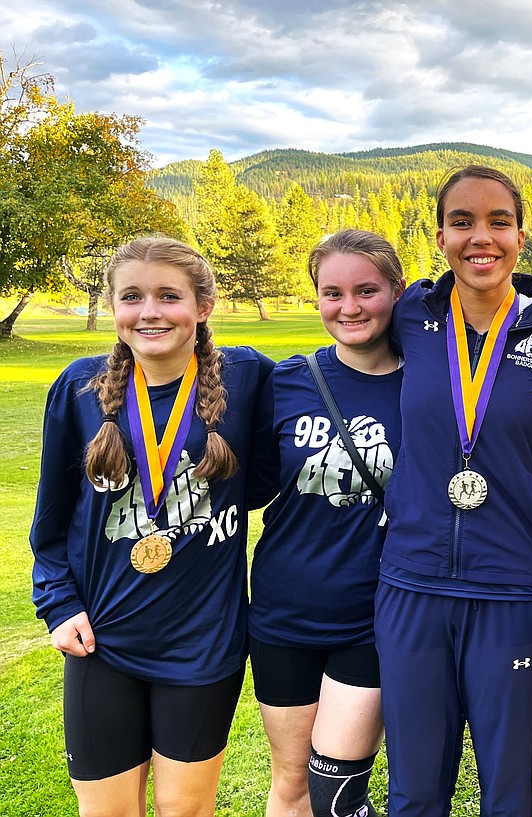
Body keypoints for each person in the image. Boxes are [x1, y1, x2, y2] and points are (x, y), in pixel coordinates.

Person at [373, 164, 532, 816]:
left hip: (510, 589)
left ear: (521, 236)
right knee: (414, 790)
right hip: (412, 584)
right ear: (439, 235)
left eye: (499, 222)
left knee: (508, 790)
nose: (482, 237)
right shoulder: (412, 314)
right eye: (463, 221)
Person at [29, 236, 273, 817]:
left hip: (203, 641)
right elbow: (52, 517)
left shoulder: (249, 378)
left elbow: (267, 475)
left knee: (183, 810)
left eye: (169, 295)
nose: (150, 312)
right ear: (113, 307)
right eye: (131, 296)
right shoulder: (79, 387)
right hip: (103, 639)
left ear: (204, 306)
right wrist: (58, 604)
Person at [249, 230, 406, 817]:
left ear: (397, 290)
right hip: (282, 610)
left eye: (366, 290)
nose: (350, 307)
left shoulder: (427, 385)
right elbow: (254, 485)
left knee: (337, 791)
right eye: (332, 292)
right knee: (290, 785)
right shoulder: (285, 381)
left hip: (372, 613)